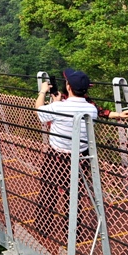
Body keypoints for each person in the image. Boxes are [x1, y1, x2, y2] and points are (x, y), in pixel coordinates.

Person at [34, 68, 100, 239]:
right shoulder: (92, 110)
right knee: (74, 196)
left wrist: (43, 92)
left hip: (56, 156)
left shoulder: (58, 107)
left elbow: (39, 112)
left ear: (69, 87)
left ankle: (43, 228)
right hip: (80, 158)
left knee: (48, 191)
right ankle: (72, 233)